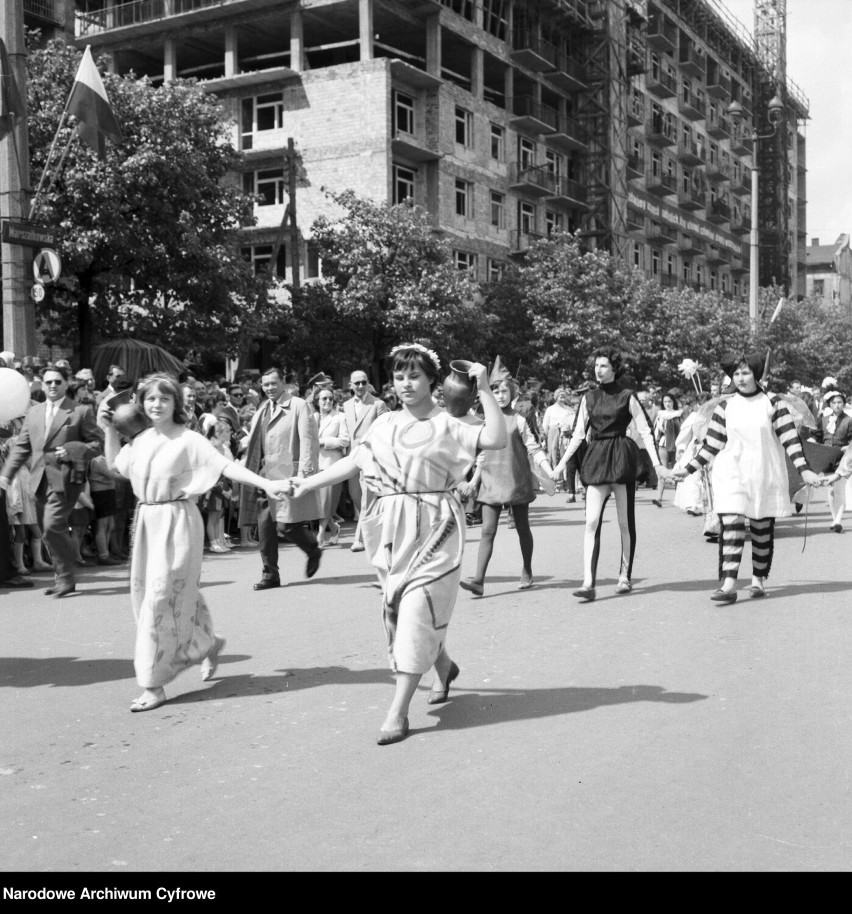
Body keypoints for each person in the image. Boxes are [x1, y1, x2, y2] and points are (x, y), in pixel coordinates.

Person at [289, 344, 507, 745]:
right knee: (399, 608)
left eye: (414, 376)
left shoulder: (449, 423)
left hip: (437, 527)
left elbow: (496, 437)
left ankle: (398, 710)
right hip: (390, 530)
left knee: (416, 611)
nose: (405, 384)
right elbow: (353, 462)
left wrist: (484, 387)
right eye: (399, 376)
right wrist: (307, 482)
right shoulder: (384, 423)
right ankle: (443, 667)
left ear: (431, 381)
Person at [103, 373, 291, 712]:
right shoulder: (141, 440)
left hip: (178, 523)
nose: (156, 404)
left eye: (164, 398)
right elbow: (117, 468)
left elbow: (225, 466)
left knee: (160, 599)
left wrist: (265, 483)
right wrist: (107, 432)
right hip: (147, 522)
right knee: (158, 593)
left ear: (176, 402)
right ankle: (207, 643)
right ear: (141, 404)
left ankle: (153, 684)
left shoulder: (189, 440)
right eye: (149, 399)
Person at [671, 351, 821, 602]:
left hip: (763, 473)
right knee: (731, 524)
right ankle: (729, 584)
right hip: (731, 473)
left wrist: (805, 471)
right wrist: (686, 470)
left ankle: (758, 579)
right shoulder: (725, 406)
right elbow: (711, 445)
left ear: (756, 374)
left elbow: (791, 441)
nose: (740, 378)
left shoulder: (774, 403)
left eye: (745, 372)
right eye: (736, 374)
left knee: (762, 528)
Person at [551, 348, 669, 601]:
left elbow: (646, 431)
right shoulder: (589, 398)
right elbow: (578, 435)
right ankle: (588, 583)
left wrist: (657, 465)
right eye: (596, 365)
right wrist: (561, 465)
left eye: (604, 365)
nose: (598, 369)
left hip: (621, 458)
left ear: (614, 369)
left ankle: (624, 576)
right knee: (591, 522)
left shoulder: (628, 396)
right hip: (596, 458)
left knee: (625, 523)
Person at [0, 365, 103, 598]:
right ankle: (62, 576)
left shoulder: (80, 411)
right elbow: (22, 448)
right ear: (43, 385)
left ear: (66, 384)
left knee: (52, 525)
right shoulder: (33, 414)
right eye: (49, 382)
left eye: (58, 381)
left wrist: (73, 449)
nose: (53, 386)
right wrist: (5, 476)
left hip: (66, 479)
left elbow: (98, 445)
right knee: (48, 531)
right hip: (38, 481)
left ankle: (66, 578)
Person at [460, 357, 554, 596]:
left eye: (503, 391)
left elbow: (533, 448)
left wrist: (550, 471)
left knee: (523, 527)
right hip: (491, 480)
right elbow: (481, 455)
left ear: (511, 393)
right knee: (487, 530)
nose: (499, 395)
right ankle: (479, 580)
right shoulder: (485, 421)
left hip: (515, 479)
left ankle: (527, 569)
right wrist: (473, 481)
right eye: (494, 391)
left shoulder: (520, 419)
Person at [238, 367, 324, 590]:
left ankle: (312, 549)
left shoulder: (298, 405)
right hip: (266, 477)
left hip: (289, 476)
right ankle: (270, 574)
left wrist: (305, 474)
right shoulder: (263, 408)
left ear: (283, 383)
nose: (269, 388)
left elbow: (309, 441)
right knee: (265, 528)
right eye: (265, 385)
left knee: (287, 526)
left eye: (273, 384)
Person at [342, 369, 387, 551]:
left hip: (371, 459)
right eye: (357, 383)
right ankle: (378, 532)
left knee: (366, 500)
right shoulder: (346, 405)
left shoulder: (378, 404)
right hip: (353, 460)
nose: (361, 386)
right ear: (350, 385)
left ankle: (359, 539)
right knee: (357, 497)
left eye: (364, 382)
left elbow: (384, 431)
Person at [314, 387, 350, 546]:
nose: (328, 401)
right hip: (314, 464)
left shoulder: (340, 417)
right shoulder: (312, 417)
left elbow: (344, 440)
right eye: (324, 398)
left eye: (330, 398)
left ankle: (320, 536)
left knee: (326, 501)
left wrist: (323, 442)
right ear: (317, 401)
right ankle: (333, 528)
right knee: (319, 502)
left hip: (332, 463)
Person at [815, 390, 852, 532]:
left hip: (843, 458)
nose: (837, 405)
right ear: (829, 404)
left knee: (840, 489)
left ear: (843, 404)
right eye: (834, 402)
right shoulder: (824, 419)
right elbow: (817, 436)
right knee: (830, 490)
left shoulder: (849, 420)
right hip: (827, 458)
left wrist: (847, 447)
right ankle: (834, 519)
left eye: (839, 402)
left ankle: (838, 520)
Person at [651, 391, 683, 507]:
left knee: (677, 471)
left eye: (669, 401)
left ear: (673, 402)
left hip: (676, 444)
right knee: (662, 471)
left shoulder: (679, 414)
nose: (667, 404)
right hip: (663, 444)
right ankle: (659, 498)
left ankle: (679, 499)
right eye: (665, 401)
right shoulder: (661, 414)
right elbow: (656, 431)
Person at [542, 388, 574, 493]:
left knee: (564, 457)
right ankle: (554, 483)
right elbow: (545, 425)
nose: (562, 399)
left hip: (564, 436)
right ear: (556, 397)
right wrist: (544, 438)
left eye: (564, 397)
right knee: (552, 457)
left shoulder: (569, 410)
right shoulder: (550, 409)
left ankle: (565, 483)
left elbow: (572, 422)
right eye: (560, 397)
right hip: (552, 434)